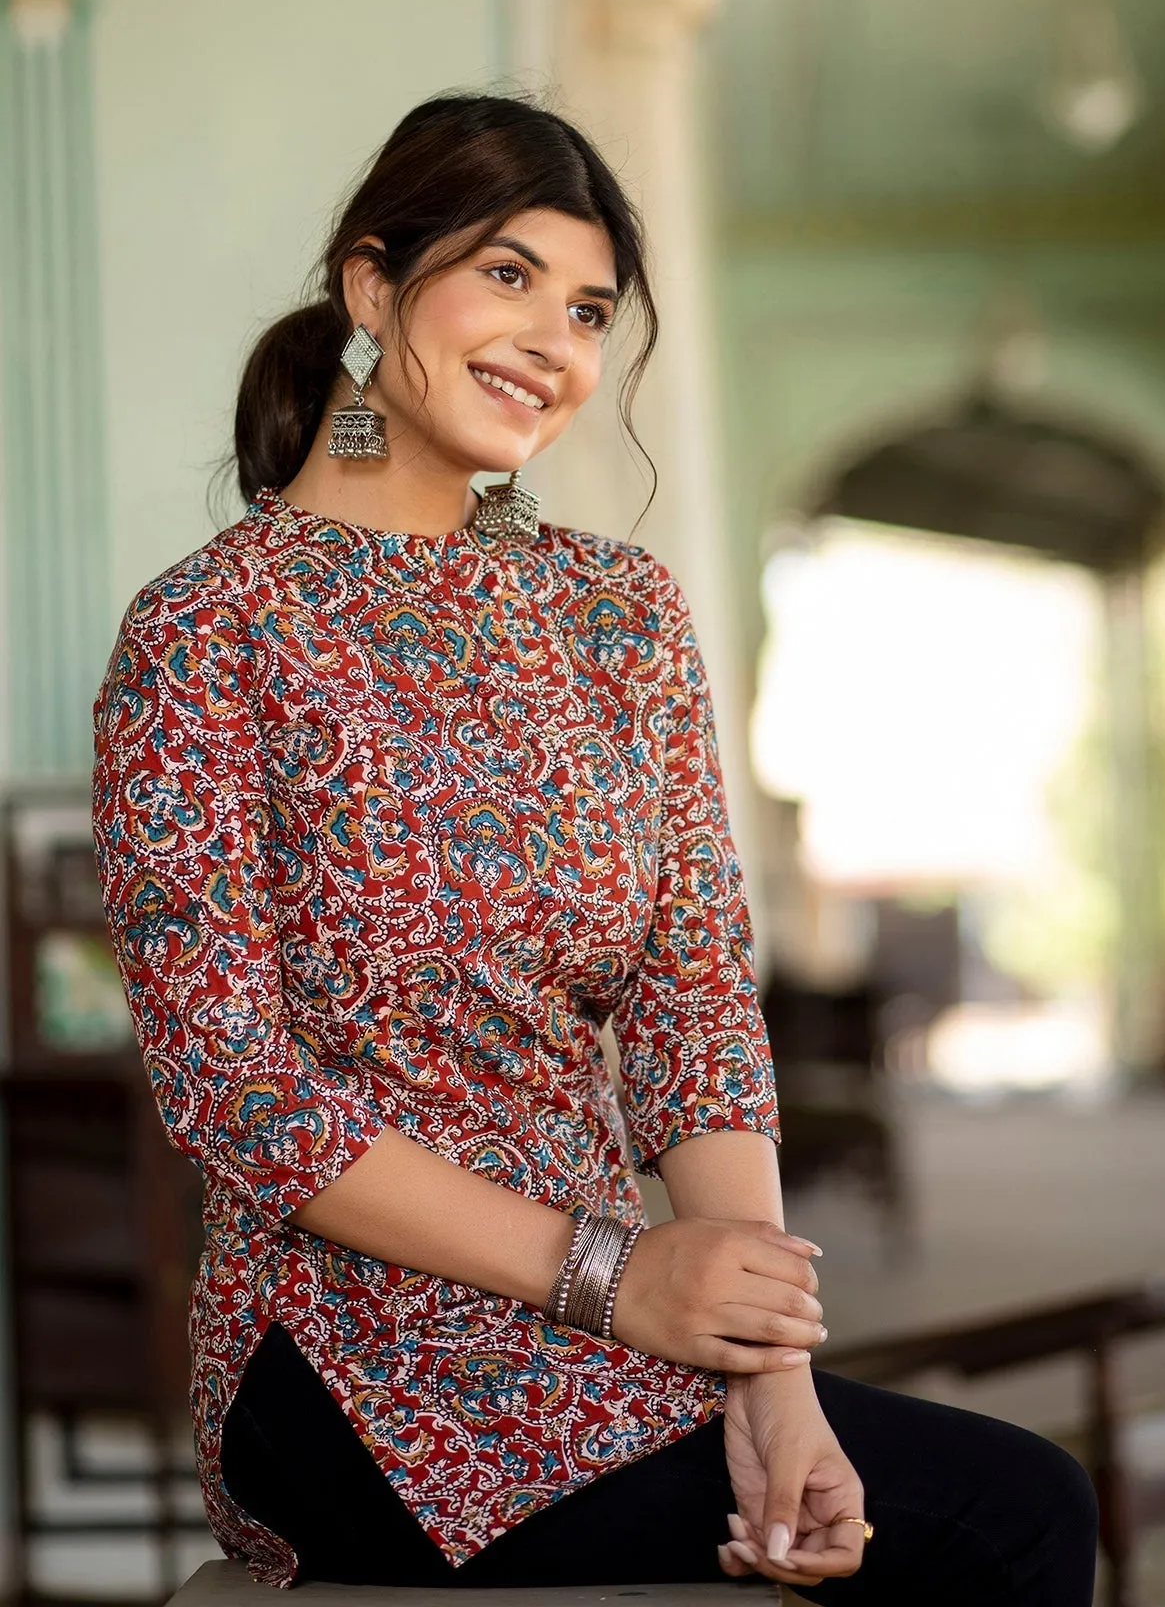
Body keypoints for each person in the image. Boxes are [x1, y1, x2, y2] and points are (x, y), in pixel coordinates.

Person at [92, 94, 1097, 1602]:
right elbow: (233, 1091)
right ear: (373, 286)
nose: (552, 344)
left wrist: (770, 1380)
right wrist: (615, 1276)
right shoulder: (206, 631)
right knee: (1006, 1515)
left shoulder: (620, 616)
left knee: (962, 1504)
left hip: (626, 1315)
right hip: (350, 1343)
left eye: (587, 308)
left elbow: (693, 1006)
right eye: (505, 277)